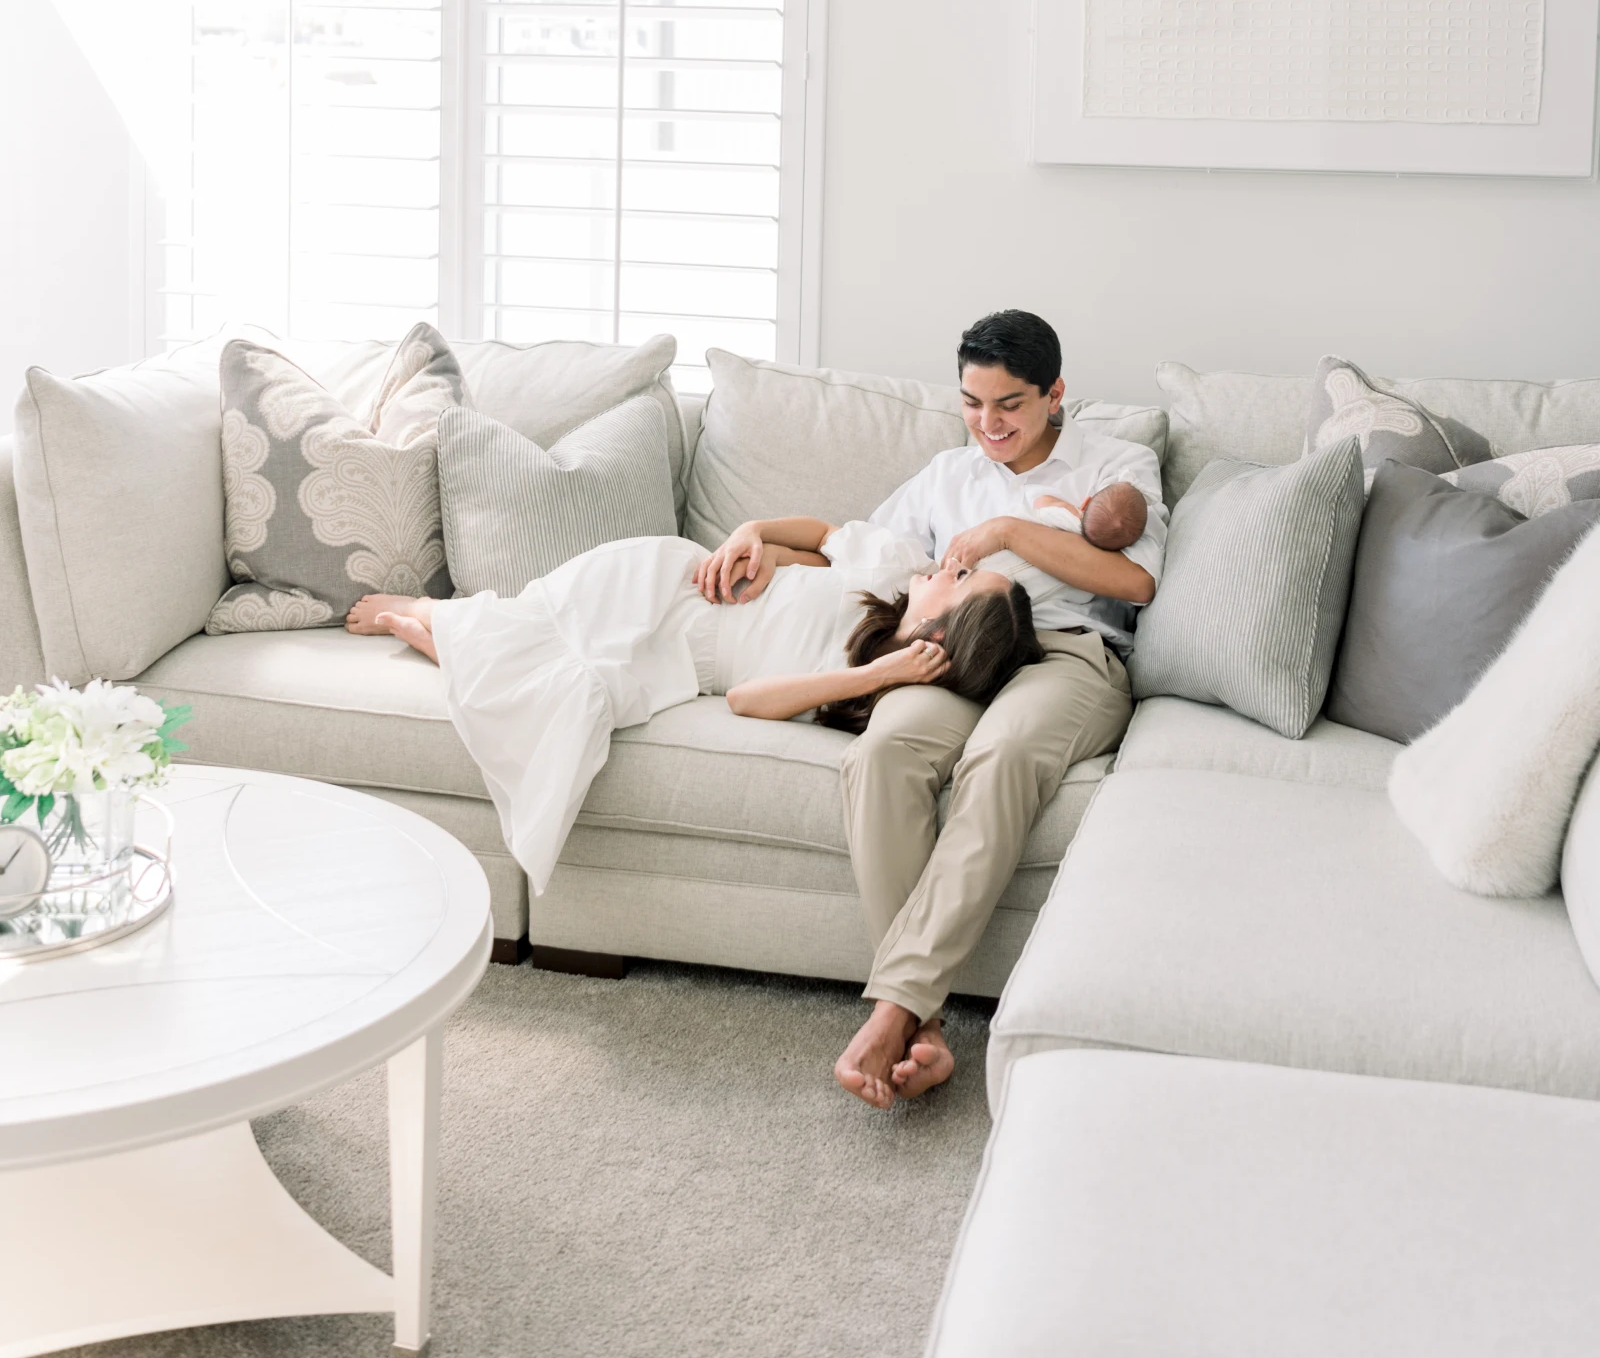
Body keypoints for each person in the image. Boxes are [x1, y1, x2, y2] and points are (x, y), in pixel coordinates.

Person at [822, 306, 1165, 1107]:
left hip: (1067, 651)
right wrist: (763, 539)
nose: (989, 423)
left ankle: (892, 1011)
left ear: (1055, 395)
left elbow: (1136, 582)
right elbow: (864, 551)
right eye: (972, 403)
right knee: (882, 751)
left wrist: (1008, 530)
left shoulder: (1118, 465)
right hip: (960, 652)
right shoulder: (946, 475)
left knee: (1000, 755)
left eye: (1009, 404)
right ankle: (927, 1028)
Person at [346, 519, 1045, 903]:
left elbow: (746, 699)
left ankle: (438, 630)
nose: (949, 563)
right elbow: (822, 536)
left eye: (960, 579)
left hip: (685, 655)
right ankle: (430, 614)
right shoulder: (893, 571)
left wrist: (877, 672)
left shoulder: (872, 688)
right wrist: (756, 535)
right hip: (670, 584)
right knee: (539, 632)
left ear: (940, 636)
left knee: (580, 696)